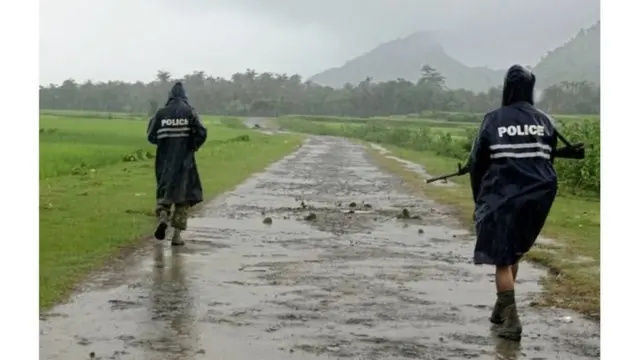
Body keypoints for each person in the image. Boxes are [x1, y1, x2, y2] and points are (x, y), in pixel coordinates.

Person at [467, 65, 584, 341]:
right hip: (540, 195)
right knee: (513, 251)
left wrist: (480, 201)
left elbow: (477, 164)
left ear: (506, 88)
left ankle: (511, 320)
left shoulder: (492, 119)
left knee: (502, 259)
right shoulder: (545, 120)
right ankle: (501, 307)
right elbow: (546, 160)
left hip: (505, 195)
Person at [147, 82, 207, 246]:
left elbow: (151, 136)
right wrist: (192, 146)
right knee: (183, 198)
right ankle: (177, 237)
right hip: (184, 162)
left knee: (164, 193)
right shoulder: (190, 112)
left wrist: (164, 143)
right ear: (184, 95)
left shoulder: (161, 113)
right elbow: (201, 132)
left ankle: (163, 216)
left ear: (170, 96)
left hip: (164, 162)